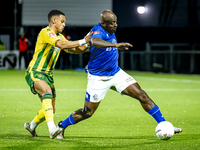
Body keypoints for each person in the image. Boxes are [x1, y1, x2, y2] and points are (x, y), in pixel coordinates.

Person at [56, 10, 182, 139]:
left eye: (115, 22)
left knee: (142, 95)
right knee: (88, 112)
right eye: (112, 23)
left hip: (116, 73)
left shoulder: (111, 30)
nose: (115, 25)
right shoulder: (97, 30)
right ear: (103, 23)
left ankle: (164, 124)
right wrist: (115, 45)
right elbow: (94, 41)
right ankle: (61, 126)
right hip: (98, 78)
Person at [24, 9, 92, 139]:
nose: (64, 24)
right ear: (54, 21)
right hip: (36, 71)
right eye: (62, 21)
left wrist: (90, 42)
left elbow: (76, 49)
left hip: (48, 75)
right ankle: (52, 130)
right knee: (46, 91)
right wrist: (83, 40)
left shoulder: (60, 37)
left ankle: (31, 126)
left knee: (51, 109)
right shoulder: (46, 32)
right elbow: (61, 44)